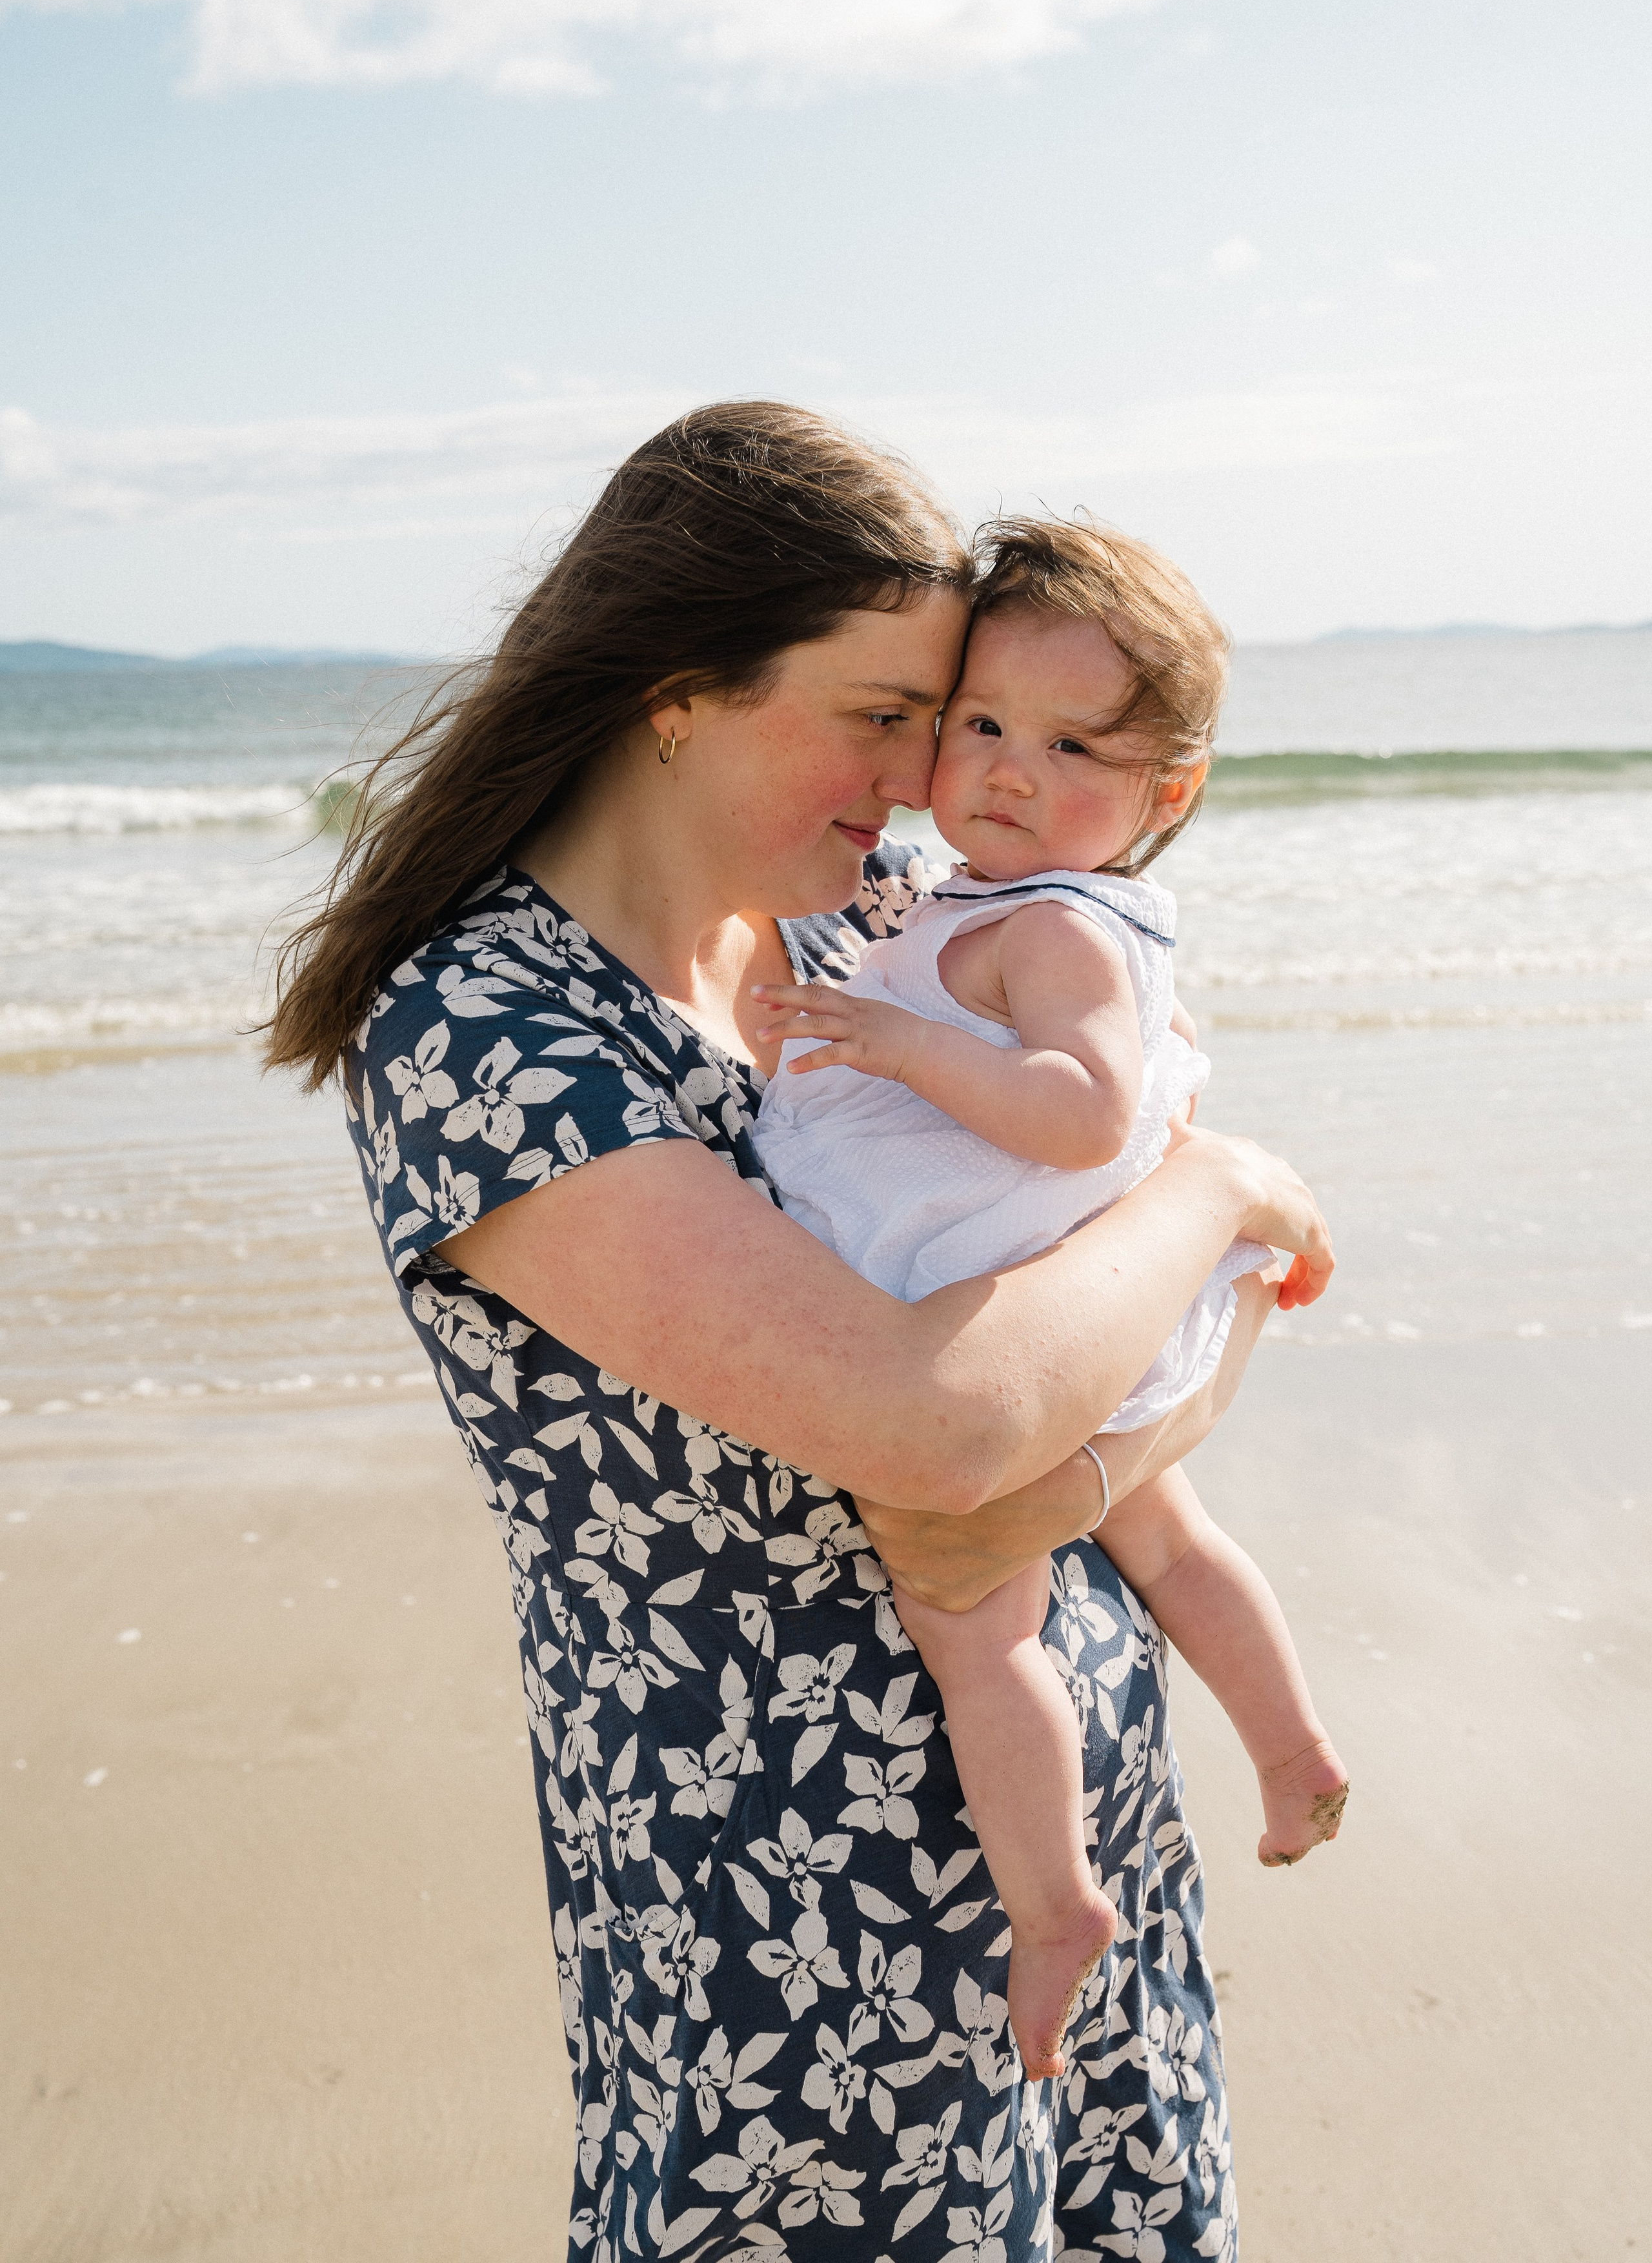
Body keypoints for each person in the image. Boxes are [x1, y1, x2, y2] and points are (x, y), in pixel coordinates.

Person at [267, 403, 1333, 2263]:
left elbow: (1155, 1346)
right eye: (885, 715)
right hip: (789, 1894)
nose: (927, 777)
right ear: (680, 691)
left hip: (1071, 1813)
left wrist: (1077, 1476)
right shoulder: (487, 1030)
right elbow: (944, 1427)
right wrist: (1222, 1188)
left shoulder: (874, 933)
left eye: (943, 718)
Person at [749, 517, 1347, 2081]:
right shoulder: (962, 899)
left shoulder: (1059, 924)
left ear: (1169, 793)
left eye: (1072, 745)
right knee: (1173, 1543)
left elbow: (1083, 1113)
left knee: (974, 1630)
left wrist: (903, 1048)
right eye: (981, 726)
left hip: (1025, 1307)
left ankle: (1054, 1901)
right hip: (1064, 1300)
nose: (1009, 772)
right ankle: (1290, 1752)